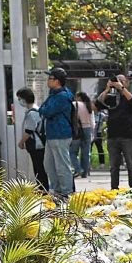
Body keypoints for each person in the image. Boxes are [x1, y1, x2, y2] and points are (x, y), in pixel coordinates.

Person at [99, 74, 132, 189]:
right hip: (113, 135)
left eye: (122, 81)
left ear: (126, 83)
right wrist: (108, 88)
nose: (119, 83)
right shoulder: (111, 97)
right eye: (117, 81)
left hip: (128, 135)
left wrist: (121, 88)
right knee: (114, 166)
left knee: (131, 165)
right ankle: (114, 188)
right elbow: (98, 104)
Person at [38, 68, 75, 197]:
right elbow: (42, 108)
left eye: (50, 78)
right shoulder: (54, 94)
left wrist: (44, 109)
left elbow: (46, 111)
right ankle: (57, 190)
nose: (48, 81)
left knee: (62, 166)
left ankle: (66, 193)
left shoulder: (62, 96)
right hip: (52, 135)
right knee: (49, 165)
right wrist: (43, 109)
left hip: (61, 134)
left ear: (57, 81)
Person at [16, 88, 48, 189]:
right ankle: (42, 188)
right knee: (39, 167)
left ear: (24, 99)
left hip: (36, 144)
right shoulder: (35, 110)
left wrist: (21, 142)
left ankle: (42, 189)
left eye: (19, 99)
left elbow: (29, 131)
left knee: (38, 168)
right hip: (38, 144)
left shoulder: (32, 113)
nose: (19, 101)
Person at [71, 92, 94, 177]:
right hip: (87, 129)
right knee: (85, 152)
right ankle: (85, 173)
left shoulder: (74, 104)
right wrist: (92, 133)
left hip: (77, 130)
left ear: (78, 97)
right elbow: (92, 122)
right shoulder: (89, 105)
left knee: (72, 152)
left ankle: (78, 169)